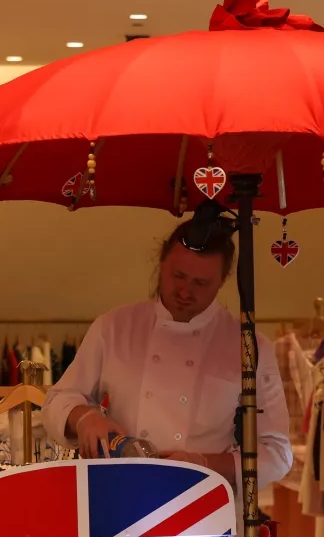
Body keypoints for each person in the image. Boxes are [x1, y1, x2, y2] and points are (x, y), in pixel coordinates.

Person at [44, 204, 291, 485]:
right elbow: (57, 400)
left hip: (203, 503)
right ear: (161, 263)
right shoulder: (115, 327)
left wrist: (204, 464)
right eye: (178, 276)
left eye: (201, 283)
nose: (185, 291)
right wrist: (85, 418)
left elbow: (277, 454)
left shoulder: (248, 345)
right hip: (122, 492)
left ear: (222, 281)